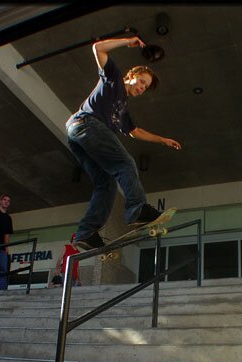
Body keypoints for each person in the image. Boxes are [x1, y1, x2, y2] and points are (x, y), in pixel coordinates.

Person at [66, 36, 182, 251]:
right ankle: (137, 209)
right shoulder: (114, 80)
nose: (141, 88)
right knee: (124, 163)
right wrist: (127, 41)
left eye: (145, 87)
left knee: (107, 184)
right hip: (86, 123)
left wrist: (163, 140)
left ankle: (86, 233)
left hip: (79, 136)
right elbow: (98, 48)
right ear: (131, 77)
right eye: (140, 82)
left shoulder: (122, 110)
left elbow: (134, 131)